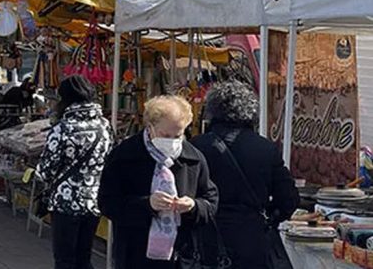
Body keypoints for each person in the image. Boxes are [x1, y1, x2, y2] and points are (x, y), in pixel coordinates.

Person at [98, 95, 218, 269]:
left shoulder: (194, 158)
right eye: (165, 135)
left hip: (181, 256)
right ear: (150, 127)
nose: (171, 141)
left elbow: (210, 201)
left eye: (177, 135)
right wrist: (147, 204)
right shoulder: (124, 156)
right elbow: (107, 202)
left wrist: (193, 206)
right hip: (135, 255)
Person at [192, 81, 299, 269]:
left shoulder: (194, 147)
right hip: (251, 238)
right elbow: (288, 199)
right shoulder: (265, 148)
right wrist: (269, 217)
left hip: (205, 237)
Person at [36, 75, 112, 269]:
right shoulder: (104, 127)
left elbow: (45, 171)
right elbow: (109, 160)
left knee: (65, 259)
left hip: (65, 203)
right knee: (83, 257)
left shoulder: (62, 129)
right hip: (93, 200)